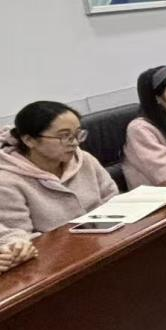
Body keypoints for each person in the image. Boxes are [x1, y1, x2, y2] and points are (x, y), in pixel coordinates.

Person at [0, 101, 118, 268]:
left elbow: (113, 200)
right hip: (54, 263)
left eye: (77, 134)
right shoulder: (7, 181)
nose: (74, 142)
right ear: (29, 140)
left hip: (105, 245)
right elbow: (18, 237)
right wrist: (19, 247)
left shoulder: (84, 159)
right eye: (64, 136)